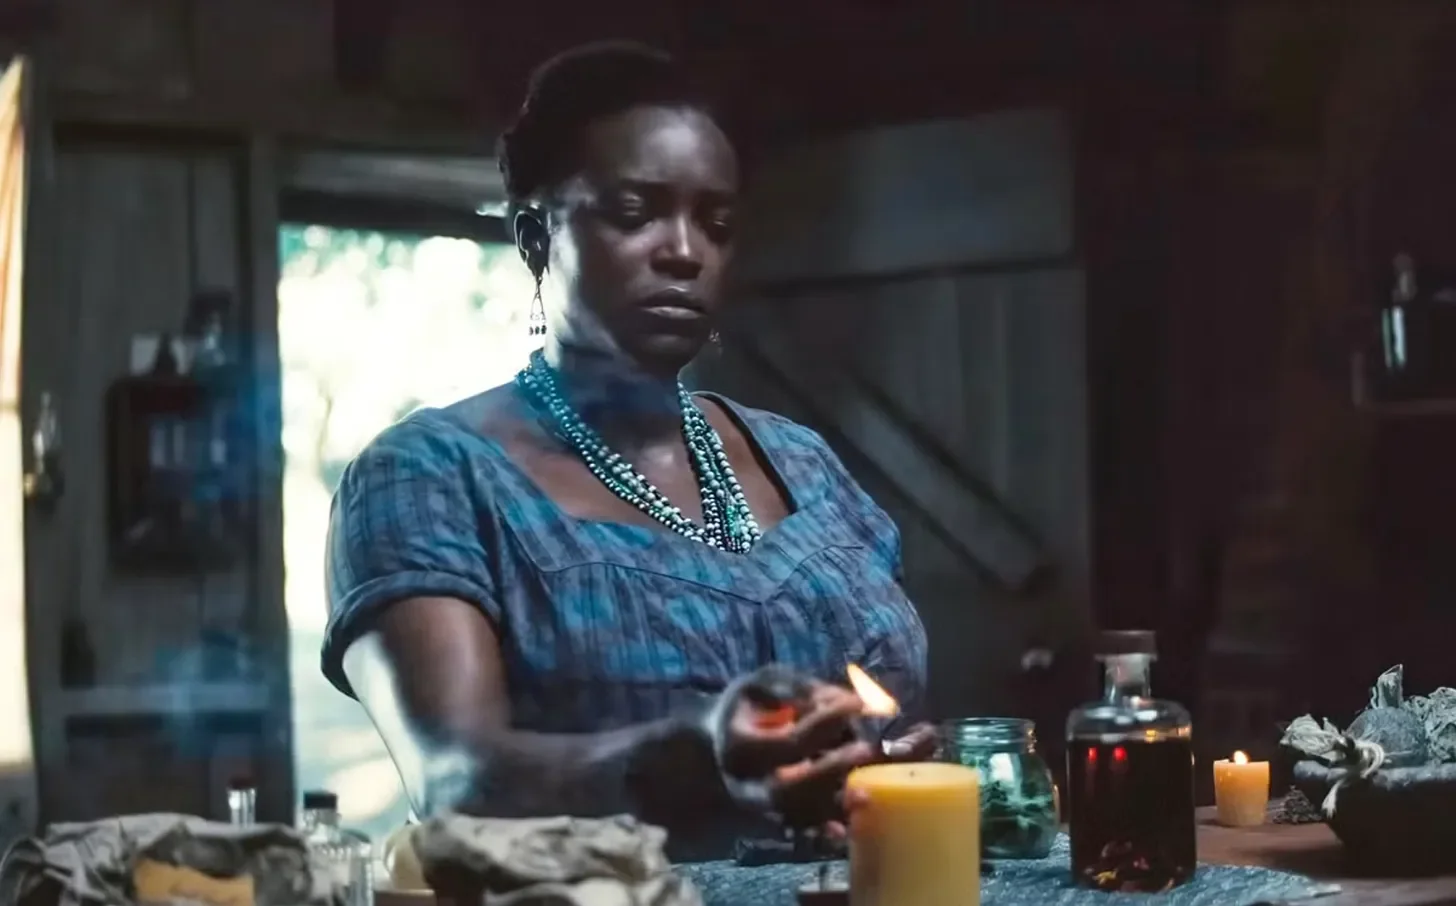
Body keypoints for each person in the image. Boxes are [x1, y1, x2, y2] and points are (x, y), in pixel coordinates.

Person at [323, 41, 931, 860]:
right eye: (636, 213)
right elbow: (457, 783)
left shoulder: (804, 463)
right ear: (537, 238)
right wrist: (693, 757)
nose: (685, 251)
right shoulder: (431, 477)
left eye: (716, 225)